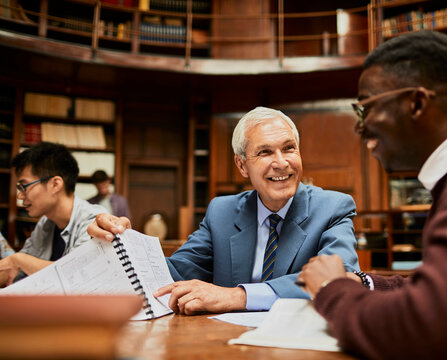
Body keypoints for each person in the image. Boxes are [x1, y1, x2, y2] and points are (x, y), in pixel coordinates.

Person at [298, 30, 447, 359]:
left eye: (365, 108)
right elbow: (446, 289)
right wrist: (364, 283)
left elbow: (424, 331)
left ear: (417, 103)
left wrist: (331, 290)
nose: (360, 128)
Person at [89, 106, 360, 315]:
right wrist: (120, 239)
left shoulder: (333, 208)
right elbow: (172, 273)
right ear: (242, 165)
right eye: (265, 152)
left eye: (289, 149)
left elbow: (341, 280)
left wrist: (237, 296)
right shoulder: (222, 212)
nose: (281, 163)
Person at [0, 142, 106, 287]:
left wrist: (18, 260)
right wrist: (16, 262)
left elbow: (77, 275)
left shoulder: (95, 219)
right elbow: (17, 271)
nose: (19, 196)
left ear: (55, 184)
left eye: (24, 186)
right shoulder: (46, 223)